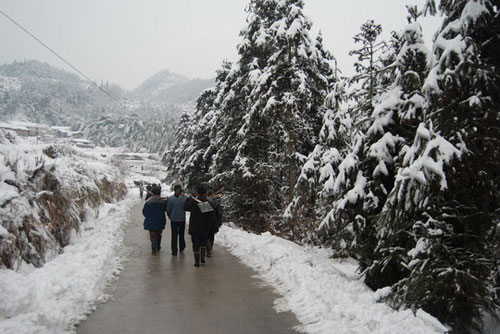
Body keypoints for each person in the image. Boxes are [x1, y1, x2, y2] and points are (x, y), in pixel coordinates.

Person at [183, 185, 217, 267]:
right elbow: (210, 215)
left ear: (197, 193)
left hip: (194, 227)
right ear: (205, 193)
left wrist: (190, 198)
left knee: (195, 244)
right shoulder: (206, 203)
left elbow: (185, 207)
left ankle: (197, 262)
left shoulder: (193, 201)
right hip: (204, 227)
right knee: (203, 243)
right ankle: (202, 259)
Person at [142, 187, 167, 254]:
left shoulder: (149, 202)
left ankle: (153, 247)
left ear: (152, 193)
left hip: (151, 220)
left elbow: (144, 211)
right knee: (159, 233)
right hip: (160, 220)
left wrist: (148, 216)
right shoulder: (163, 201)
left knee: (153, 234)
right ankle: (158, 245)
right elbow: (166, 209)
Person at [166, 185, 187, 255]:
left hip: (176, 219)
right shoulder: (184, 198)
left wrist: (169, 215)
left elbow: (168, 209)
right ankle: (179, 248)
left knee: (176, 235)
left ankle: (176, 250)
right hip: (179, 219)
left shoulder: (171, 199)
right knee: (178, 235)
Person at [207, 190, 223, 257]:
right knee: (211, 235)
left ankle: (208, 248)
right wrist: (219, 223)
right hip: (214, 221)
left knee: (206, 235)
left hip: (207, 221)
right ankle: (210, 247)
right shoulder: (217, 203)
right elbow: (219, 213)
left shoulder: (206, 202)